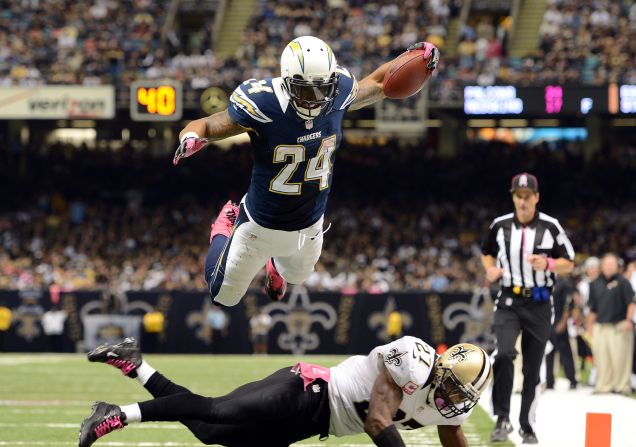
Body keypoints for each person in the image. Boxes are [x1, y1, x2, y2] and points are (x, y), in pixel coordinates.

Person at [172, 36, 439, 306]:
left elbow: (380, 83)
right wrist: (192, 137)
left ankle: (275, 266)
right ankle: (224, 225)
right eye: (306, 91)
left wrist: (416, 58)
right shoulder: (264, 104)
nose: (317, 99)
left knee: (296, 275)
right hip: (259, 224)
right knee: (222, 296)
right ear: (287, 82)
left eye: (324, 88)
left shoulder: (339, 93)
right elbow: (207, 123)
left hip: (310, 223)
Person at [78, 336, 491, 447]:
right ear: (441, 368)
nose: (451, 399)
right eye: (451, 386)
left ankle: (135, 364)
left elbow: (452, 433)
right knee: (219, 411)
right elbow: (378, 419)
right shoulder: (413, 359)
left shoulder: (453, 410)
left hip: (314, 423)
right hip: (309, 389)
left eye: (460, 395)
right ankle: (115, 414)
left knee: (209, 432)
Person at [481, 172, 574, 444]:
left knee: (533, 369)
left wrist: (549, 264)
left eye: (527, 196)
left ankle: (527, 425)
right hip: (509, 299)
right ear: (513, 197)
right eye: (518, 196)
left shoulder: (551, 226)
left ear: (536, 197)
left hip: (539, 302)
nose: (522, 202)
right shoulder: (499, 225)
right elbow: (486, 251)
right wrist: (491, 270)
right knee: (504, 354)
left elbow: (570, 262)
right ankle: (502, 418)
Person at [585, 253, 636, 395]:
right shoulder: (595, 284)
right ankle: (604, 386)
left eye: (612, 265)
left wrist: (629, 320)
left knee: (620, 358)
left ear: (617, 266)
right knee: (602, 358)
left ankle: (621, 386)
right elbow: (593, 308)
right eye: (606, 264)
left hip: (619, 325)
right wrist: (589, 326)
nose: (609, 267)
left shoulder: (623, 282)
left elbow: (631, 302)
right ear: (601, 266)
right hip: (600, 326)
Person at [545, 277, 577, 390]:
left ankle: (572, 379)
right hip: (546, 322)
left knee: (565, 353)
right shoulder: (544, 280)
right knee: (548, 352)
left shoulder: (564, 282)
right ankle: (549, 381)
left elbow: (568, 303)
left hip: (559, 321)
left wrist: (564, 321)